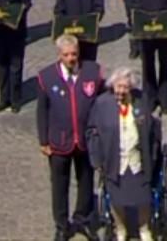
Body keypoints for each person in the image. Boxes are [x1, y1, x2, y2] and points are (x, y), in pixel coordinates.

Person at [88, 67, 165, 241]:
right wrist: (96, 157)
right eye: (118, 86)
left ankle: (144, 228)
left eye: (125, 87)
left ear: (131, 88)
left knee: (143, 198)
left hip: (137, 159)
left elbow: (152, 130)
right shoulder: (102, 104)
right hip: (114, 160)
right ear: (112, 85)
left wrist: (153, 154)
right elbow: (92, 131)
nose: (121, 91)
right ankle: (120, 228)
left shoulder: (141, 101)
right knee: (117, 199)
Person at [39, 34, 103, 240]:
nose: (71, 58)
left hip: (85, 139)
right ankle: (61, 224)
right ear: (59, 55)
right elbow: (42, 111)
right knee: (59, 185)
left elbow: (102, 101)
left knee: (85, 181)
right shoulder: (46, 77)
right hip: (59, 141)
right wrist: (43, 141)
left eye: (74, 54)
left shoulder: (92, 72)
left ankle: (82, 219)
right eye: (66, 55)